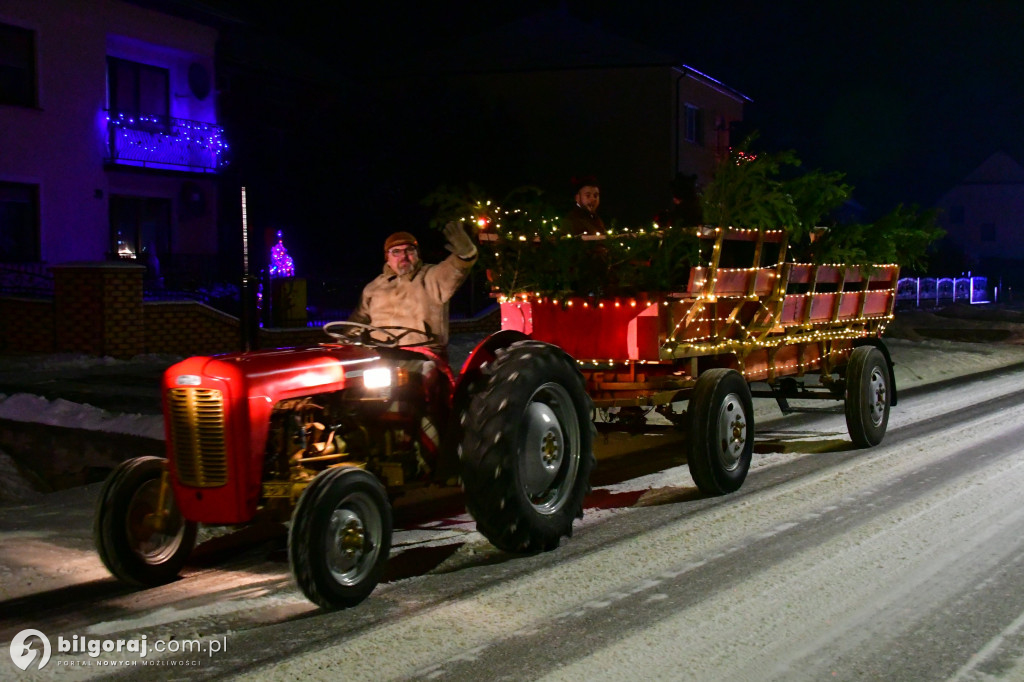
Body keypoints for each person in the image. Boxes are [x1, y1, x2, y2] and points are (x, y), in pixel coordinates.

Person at [348, 221, 477, 355]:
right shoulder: (374, 287)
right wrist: (348, 338)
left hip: (423, 356)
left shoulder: (432, 277)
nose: (403, 256)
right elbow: (358, 320)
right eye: (396, 252)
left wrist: (466, 254)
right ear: (387, 257)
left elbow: (455, 269)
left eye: (409, 250)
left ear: (417, 254)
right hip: (381, 357)